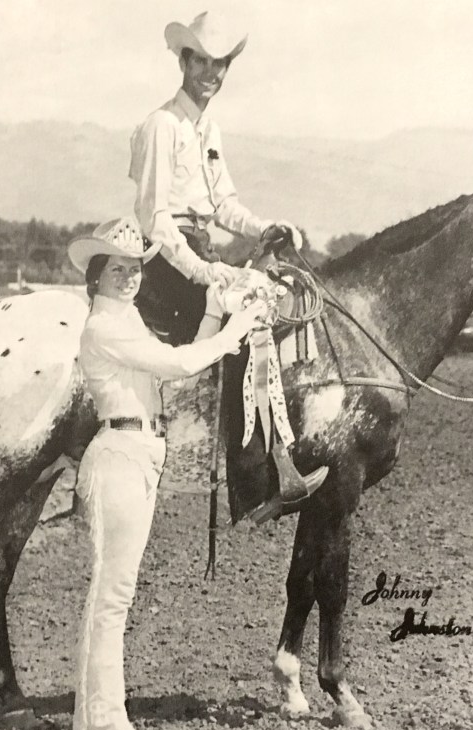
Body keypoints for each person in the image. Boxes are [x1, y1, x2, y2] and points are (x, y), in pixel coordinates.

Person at [67, 216, 267, 730]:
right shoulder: (103, 328)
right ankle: (104, 724)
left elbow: (181, 363)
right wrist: (234, 330)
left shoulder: (126, 320)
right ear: (96, 276)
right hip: (119, 457)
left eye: (134, 269)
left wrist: (212, 312)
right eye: (117, 270)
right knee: (112, 599)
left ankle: (95, 722)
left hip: (139, 454)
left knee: (114, 596)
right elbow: (179, 364)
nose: (129, 278)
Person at [129, 10, 327, 524]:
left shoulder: (207, 129)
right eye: (204, 62)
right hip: (165, 260)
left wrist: (264, 228)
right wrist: (202, 271)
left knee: (276, 299)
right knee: (246, 320)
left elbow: (223, 206)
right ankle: (252, 481)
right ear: (185, 60)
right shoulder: (161, 127)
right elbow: (155, 219)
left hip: (201, 249)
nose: (212, 74)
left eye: (221, 65)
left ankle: (276, 457)